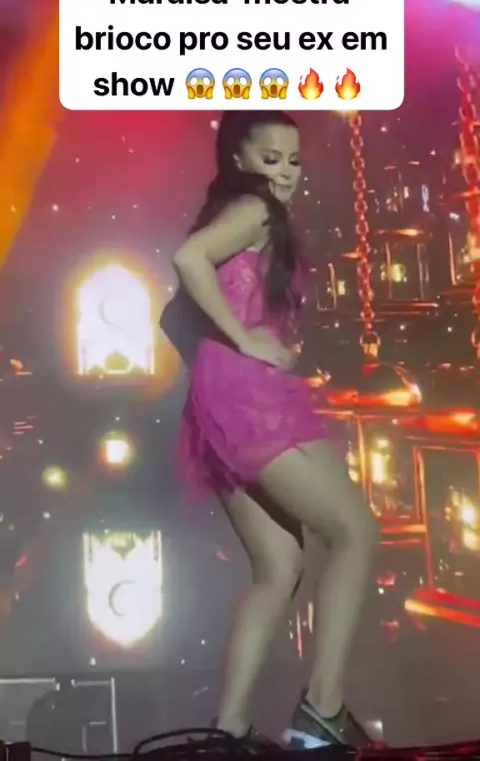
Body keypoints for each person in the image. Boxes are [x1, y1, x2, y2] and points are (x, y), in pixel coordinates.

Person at [166, 110, 378, 748]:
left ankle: (229, 729)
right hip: (250, 400)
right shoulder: (254, 209)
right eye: (270, 158)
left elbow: (173, 318)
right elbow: (187, 258)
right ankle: (323, 707)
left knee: (278, 568)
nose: (285, 173)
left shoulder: (239, 213)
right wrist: (242, 341)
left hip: (219, 404)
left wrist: (217, 362)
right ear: (239, 159)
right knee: (355, 532)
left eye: (293, 160)